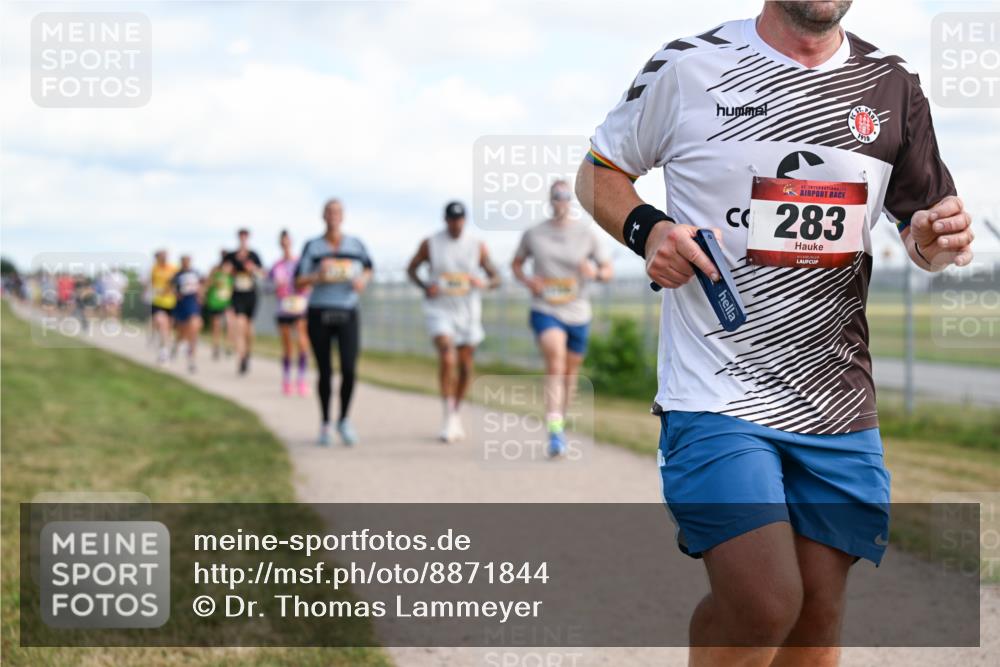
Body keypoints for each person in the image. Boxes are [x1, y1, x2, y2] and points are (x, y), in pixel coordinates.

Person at [576, 2, 973, 665]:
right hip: (717, 391)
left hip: (836, 401)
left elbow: (924, 233)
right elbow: (598, 171)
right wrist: (649, 231)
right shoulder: (689, 66)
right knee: (763, 602)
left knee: (817, 618)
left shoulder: (891, 84)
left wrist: (934, 241)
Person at [511, 180, 613, 458]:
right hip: (545, 307)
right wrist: (527, 280)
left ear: (571, 200)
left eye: (566, 196)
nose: (561, 201)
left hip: (578, 310)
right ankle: (554, 431)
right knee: (554, 359)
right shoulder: (534, 234)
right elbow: (516, 264)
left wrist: (595, 273)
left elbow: (607, 270)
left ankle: (558, 425)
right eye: (556, 196)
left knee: (569, 374)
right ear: (550, 200)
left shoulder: (586, 233)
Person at [406, 201, 501, 443]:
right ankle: (448, 415)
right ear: (445, 220)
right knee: (447, 356)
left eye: (460, 219)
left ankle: (456, 412)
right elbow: (412, 269)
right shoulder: (431, 244)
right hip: (439, 310)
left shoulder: (477, 246)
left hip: (468, 311)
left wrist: (485, 283)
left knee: (466, 367)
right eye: (452, 219)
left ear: (465, 220)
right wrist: (426, 286)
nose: (456, 224)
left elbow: (496, 277)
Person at [295, 199, 373, 446]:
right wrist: (319, 276)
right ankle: (325, 423)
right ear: (323, 216)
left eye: (338, 212)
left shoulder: (356, 244)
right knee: (325, 371)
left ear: (343, 216)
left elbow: (369, 268)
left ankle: (344, 419)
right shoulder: (313, 246)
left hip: (347, 311)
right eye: (329, 212)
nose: (333, 216)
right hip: (320, 311)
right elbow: (298, 281)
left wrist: (362, 280)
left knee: (349, 369)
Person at [269, 230, 311, 396]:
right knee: (287, 347)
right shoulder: (276, 266)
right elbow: (267, 286)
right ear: (280, 243)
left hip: (300, 307)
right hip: (284, 309)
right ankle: (286, 380)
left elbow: (308, 282)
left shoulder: (300, 262)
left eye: (288, 241)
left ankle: (301, 380)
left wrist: (304, 287)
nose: (285, 244)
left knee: (302, 343)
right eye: (283, 241)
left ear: (291, 242)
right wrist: (275, 286)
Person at [224, 229, 263, 375]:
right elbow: (224, 271)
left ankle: (247, 353)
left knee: (248, 329)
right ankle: (241, 359)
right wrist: (229, 270)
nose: (243, 239)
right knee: (239, 325)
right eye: (241, 237)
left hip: (251, 295)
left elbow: (261, 274)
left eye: (245, 237)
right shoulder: (231, 256)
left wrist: (252, 269)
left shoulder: (254, 255)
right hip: (237, 295)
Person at [170, 255, 203, 373]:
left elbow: (201, 286)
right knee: (182, 332)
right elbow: (171, 287)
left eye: (188, 261)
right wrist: (176, 294)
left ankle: (191, 360)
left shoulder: (196, 273)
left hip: (193, 303)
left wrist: (200, 296)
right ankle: (176, 346)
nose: (186, 263)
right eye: (184, 261)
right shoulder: (177, 275)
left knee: (193, 329)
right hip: (181, 304)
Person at [149, 250, 178, 365]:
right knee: (161, 323)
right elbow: (151, 282)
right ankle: (163, 351)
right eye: (161, 256)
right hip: (158, 302)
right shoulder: (154, 268)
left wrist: (171, 289)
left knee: (168, 329)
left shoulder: (173, 268)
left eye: (165, 256)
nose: (164, 258)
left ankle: (165, 347)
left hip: (171, 302)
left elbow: (177, 283)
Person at [204, 252, 234, 360]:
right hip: (215, 303)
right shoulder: (216, 273)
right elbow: (207, 284)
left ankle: (228, 346)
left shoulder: (231, 277)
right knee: (216, 326)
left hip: (227, 304)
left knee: (230, 323)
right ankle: (216, 346)